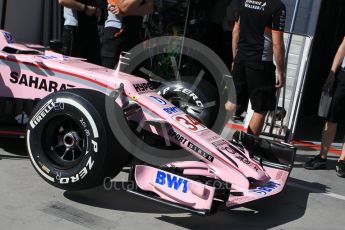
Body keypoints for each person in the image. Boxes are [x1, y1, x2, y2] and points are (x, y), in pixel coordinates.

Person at [225, 0, 286, 135]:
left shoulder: (244, 1)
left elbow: (235, 31)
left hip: (241, 57)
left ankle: (209, 130)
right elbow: (278, 44)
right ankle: (248, 147)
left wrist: (235, 59)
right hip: (261, 63)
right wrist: (281, 72)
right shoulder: (277, 7)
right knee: (261, 108)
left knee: (233, 102)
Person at [304, 36, 345, 177]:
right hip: (344, 76)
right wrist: (332, 72)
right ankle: (322, 157)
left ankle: (343, 161)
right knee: (332, 117)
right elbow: (343, 47)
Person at [101, 0, 154, 69]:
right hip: (116, 35)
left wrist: (126, 12)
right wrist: (127, 10)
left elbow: (149, 8)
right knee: (111, 75)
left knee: (134, 76)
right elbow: (124, 7)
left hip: (135, 34)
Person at [58, 0, 103, 64]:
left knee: (95, 65)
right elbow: (62, 1)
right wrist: (85, 8)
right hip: (74, 28)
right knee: (72, 65)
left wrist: (97, 9)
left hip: (92, 29)